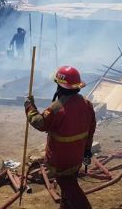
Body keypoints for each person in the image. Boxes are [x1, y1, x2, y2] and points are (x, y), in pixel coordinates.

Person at [25, 66, 96, 209]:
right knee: (68, 186)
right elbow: (91, 129)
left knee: (70, 188)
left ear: (60, 86)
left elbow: (39, 123)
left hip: (60, 160)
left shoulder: (57, 108)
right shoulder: (87, 104)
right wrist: (87, 151)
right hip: (77, 157)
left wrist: (29, 106)